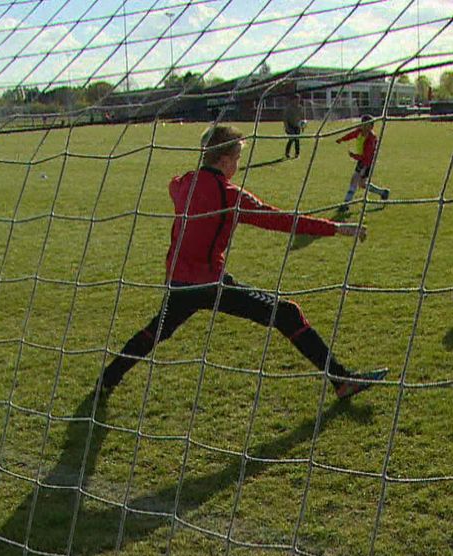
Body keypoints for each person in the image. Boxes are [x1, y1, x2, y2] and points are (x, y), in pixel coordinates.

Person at [98, 125, 388, 399]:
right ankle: (342, 381)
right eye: (236, 158)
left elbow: (172, 184)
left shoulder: (183, 183)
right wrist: (336, 228)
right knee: (286, 313)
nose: (237, 164)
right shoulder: (230, 195)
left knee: (156, 331)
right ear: (224, 160)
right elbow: (281, 220)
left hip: (178, 280)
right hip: (209, 284)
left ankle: (106, 380)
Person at [336, 115, 390, 211]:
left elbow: (366, 156)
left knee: (355, 180)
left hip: (367, 163)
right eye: (363, 124)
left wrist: (353, 156)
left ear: (371, 126)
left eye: (367, 125)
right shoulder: (360, 132)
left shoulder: (371, 139)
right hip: (362, 161)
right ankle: (383, 193)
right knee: (362, 184)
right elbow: (352, 134)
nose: (364, 127)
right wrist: (342, 139)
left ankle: (346, 203)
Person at [283, 94, 305, 159]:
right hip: (290, 126)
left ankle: (297, 154)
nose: (298, 101)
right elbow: (285, 119)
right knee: (291, 139)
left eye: (299, 99)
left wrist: (302, 126)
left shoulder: (300, 108)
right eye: (296, 99)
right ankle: (287, 153)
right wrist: (287, 127)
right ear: (293, 100)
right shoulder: (288, 108)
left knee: (297, 140)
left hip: (297, 125)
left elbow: (302, 117)